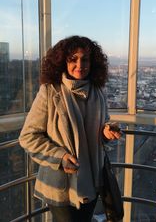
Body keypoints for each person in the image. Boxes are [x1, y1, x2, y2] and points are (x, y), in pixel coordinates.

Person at [19, 35, 122, 222]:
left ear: (93, 62)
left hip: (92, 181)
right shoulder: (50, 91)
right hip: (62, 185)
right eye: (73, 59)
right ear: (62, 62)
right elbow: (28, 136)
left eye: (85, 59)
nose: (80, 65)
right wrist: (60, 157)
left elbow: (102, 124)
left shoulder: (98, 91)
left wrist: (106, 131)